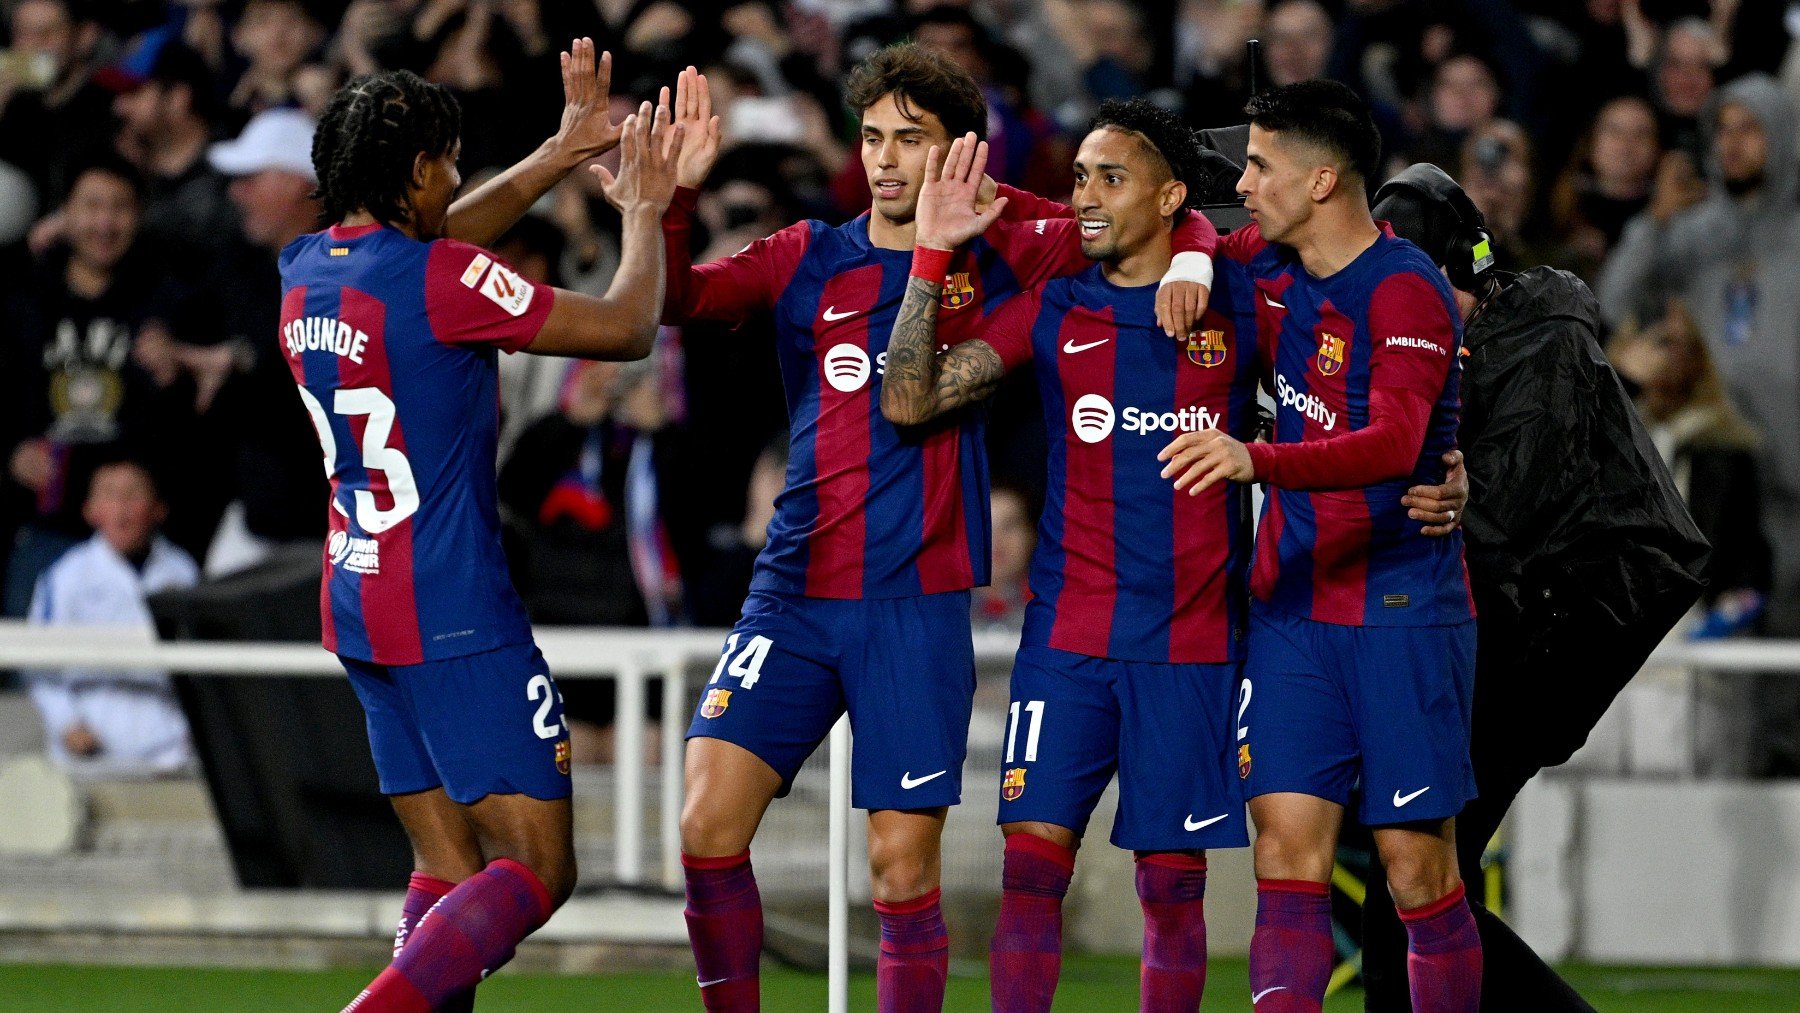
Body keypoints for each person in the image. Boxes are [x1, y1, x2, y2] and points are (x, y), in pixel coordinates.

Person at [659, 49, 1216, 1012]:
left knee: (900, 871)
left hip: (913, 604)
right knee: (707, 824)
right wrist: (670, 204)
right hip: (790, 589)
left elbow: (1143, 212)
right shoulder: (808, 254)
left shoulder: (1009, 235)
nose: (884, 160)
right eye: (872, 137)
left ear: (959, 152)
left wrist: (1200, 247)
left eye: (908, 140)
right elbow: (679, 301)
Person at [281, 41, 687, 1012]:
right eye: (449, 160)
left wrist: (556, 154)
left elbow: (433, 245)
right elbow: (628, 326)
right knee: (539, 867)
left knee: (448, 867)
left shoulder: (306, 271)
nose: (457, 178)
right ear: (418, 169)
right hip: (454, 607)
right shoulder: (439, 281)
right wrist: (641, 213)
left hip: (359, 597)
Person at [880, 101, 1253, 1011]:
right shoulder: (1057, 300)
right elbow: (909, 399)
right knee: (1031, 868)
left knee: (1170, 884)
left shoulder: (1236, 292)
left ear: (1168, 196)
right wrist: (929, 260)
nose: (1084, 196)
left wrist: (1201, 245)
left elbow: (1330, 247)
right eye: (1079, 176)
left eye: (1110, 179)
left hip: (1191, 639)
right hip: (1067, 636)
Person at [1158, 81, 1483, 1011]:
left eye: (1262, 164)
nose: (1245, 181)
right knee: (1283, 855)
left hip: (1400, 612)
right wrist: (1188, 259)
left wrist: (1252, 457)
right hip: (1293, 609)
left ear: (1324, 179)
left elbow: (1393, 446)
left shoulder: (1406, 286)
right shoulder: (1269, 258)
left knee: (1416, 868)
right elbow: (1181, 227)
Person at [1354, 162, 1708, 1012]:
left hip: (1550, 634)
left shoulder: (1542, 346)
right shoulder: (1495, 340)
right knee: (1422, 887)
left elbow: (1495, 521)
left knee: (1415, 889)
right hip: (1521, 627)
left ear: (1452, 275)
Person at [23, 457, 196, 777]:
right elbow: (38, 665)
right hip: (91, 756)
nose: (120, 507)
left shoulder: (183, 572)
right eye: (109, 494)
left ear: (158, 508)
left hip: (172, 753)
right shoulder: (65, 576)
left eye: (132, 495)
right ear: (90, 510)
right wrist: (68, 724)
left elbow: (201, 664)